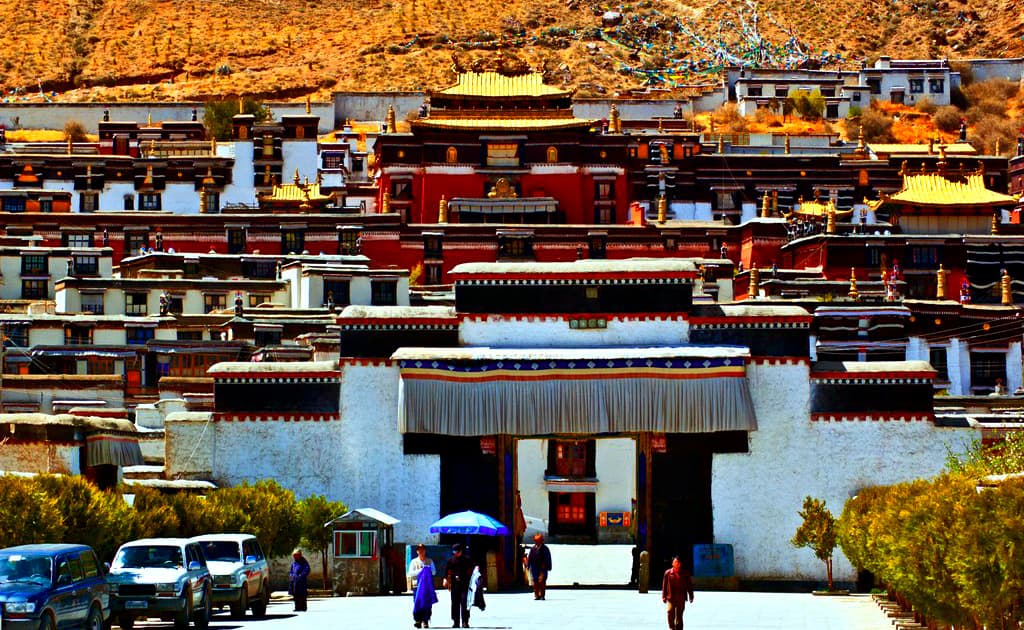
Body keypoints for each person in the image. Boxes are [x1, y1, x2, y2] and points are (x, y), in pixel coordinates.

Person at [443, 543, 473, 628]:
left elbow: (473, 570)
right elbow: (446, 571)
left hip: (465, 585)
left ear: (461, 551)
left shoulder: (467, 560)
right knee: (455, 603)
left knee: (464, 603)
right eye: (454, 551)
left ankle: (465, 622)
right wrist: (445, 579)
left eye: (456, 551)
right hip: (454, 585)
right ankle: (456, 622)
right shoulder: (451, 560)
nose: (455, 553)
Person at [661, 555, 694, 630]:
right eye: (675, 562)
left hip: (681, 598)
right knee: (670, 611)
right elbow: (664, 585)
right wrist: (663, 596)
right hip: (671, 597)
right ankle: (671, 627)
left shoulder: (685, 573)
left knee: (679, 615)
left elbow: (689, 585)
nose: (677, 564)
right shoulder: (668, 573)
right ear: (672, 563)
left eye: (678, 562)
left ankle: (679, 628)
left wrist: (691, 596)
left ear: (680, 564)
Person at [408, 544, 435, 628]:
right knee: (417, 603)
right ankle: (418, 620)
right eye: (419, 550)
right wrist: (420, 571)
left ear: (425, 551)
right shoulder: (414, 561)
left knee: (427, 603)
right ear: (417, 551)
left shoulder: (429, 561)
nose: (421, 552)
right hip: (417, 586)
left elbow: (434, 572)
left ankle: (425, 620)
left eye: (422, 550)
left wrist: (428, 570)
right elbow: (410, 573)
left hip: (427, 586)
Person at [526, 533, 552, 600]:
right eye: (535, 541)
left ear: (541, 541)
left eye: (538, 541)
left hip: (542, 568)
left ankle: (542, 595)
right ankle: (537, 595)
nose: (536, 542)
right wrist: (528, 565)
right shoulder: (533, 548)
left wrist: (548, 566)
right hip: (534, 568)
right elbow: (530, 557)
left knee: (542, 582)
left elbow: (548, 558)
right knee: (535, 582)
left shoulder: (545, 549)